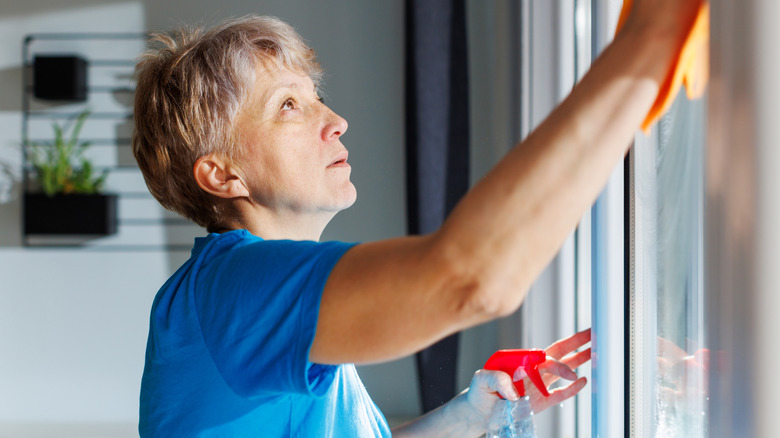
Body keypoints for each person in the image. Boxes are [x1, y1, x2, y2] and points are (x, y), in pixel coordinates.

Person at [132, 0, 703, 435]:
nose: (335, 121)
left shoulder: (263, 308)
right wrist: (647, 43)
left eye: (317, 96)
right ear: (223, 175)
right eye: (288, 106)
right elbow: (469, 279)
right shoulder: (235, 292)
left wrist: (472, 413)